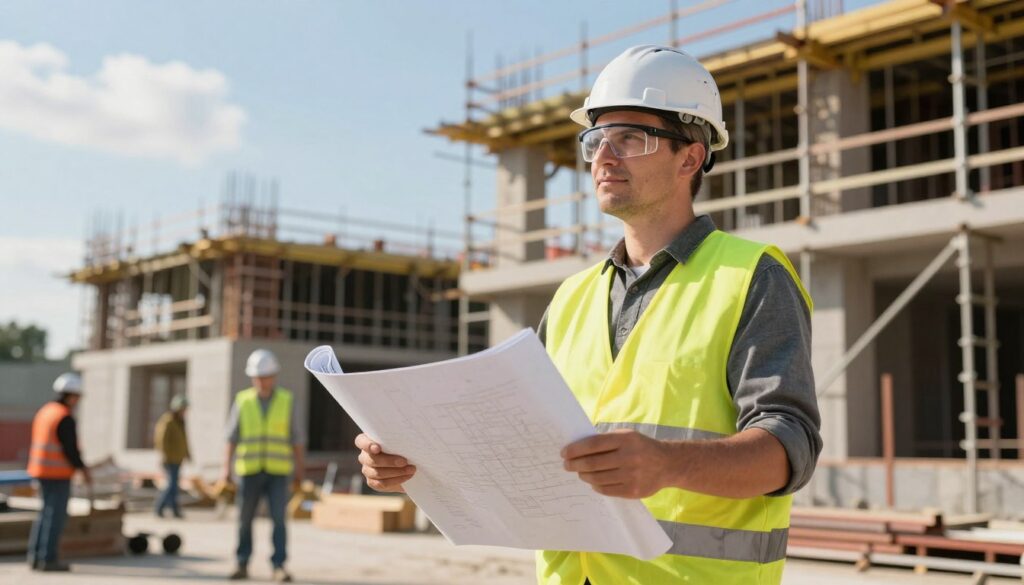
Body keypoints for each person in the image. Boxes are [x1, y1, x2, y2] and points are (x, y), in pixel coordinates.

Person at [356, 45, 821, 585]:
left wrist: (667, 463)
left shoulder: (752, 277)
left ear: (690, 158)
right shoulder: (574, 297)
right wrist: (416, 462)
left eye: (631, 138)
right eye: (595, 140)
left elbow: (789, 448)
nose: (604, 156)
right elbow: (516, 444)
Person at [223, 349, 305, 583]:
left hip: (278, 472)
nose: (262, 380)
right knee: (244, 519)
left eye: (266, 375)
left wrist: (300, 470)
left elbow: (297, 438)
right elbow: (231, 438)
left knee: (279, 519)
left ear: (274, 375)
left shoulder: (287, 400)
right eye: (258, 376)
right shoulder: (243, 400)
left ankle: (279, 565)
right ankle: (242, 563)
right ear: (252, 378)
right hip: (249, 472)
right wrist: (225, 470)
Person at [26, 372, 92, 572]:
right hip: (57, 474)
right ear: (71, 395)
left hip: (40, 470)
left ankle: (35, 557)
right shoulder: (64, 417)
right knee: (55, 517)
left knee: (45, 515)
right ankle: (49, 559)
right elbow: (70, 449)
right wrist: (83, 469)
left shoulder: (46, 411)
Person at [154, 393, 190, 518]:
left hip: (178, 458)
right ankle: (159, 508)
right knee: (171, 485)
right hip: (169, 459)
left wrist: (188, 454)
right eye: (183, 409)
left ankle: (175, 510)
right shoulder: (168, 421)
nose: (184, 412)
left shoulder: (180, 422)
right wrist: (163, 455)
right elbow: (161, 440)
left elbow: (184, 440)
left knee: (174, 486)